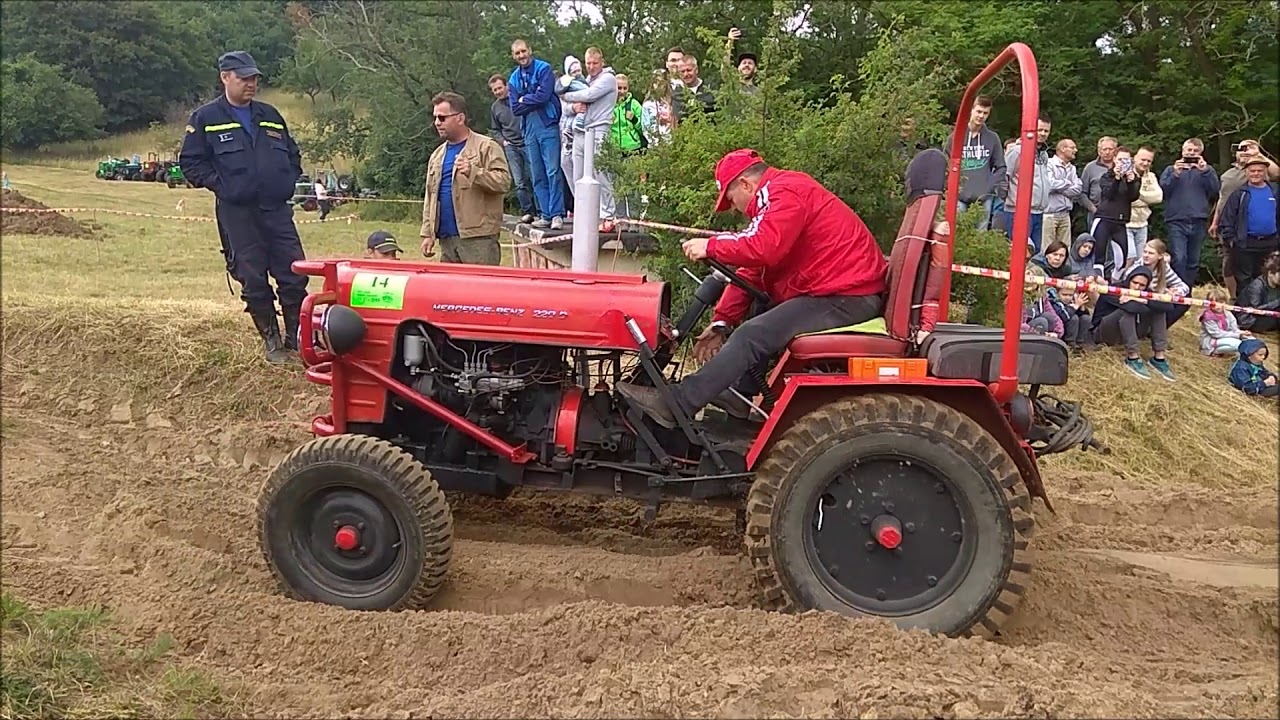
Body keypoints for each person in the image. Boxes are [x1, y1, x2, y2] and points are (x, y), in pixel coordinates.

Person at [614, 149, 888, 427]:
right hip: (838, 290)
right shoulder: (780, 197)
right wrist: (722, 321)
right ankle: (737, 394)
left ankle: (677, 404)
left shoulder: (784, 193)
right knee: (760, 309)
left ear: (745, 184)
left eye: (731, 200)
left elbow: (763, 249)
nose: (734, 208)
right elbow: (754, 272)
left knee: (752, 335)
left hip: (847, 296)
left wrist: (711, 245)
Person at [179, 50, 307, 365]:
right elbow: (190, 163)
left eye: (254, 78)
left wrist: (287, 181)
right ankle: (272, 343)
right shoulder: (205, 118)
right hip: (238, 212)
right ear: (225, 77)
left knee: (294, 273)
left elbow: (292, 154)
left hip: (276, 209)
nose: (251, 84)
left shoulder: (270, 114)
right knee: (252, 277)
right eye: (244, 78)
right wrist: (224, 186)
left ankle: (296, 340)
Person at [418, 91, 512, 266]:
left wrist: (474, 172)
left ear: (460, 118)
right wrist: (427, 233)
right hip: (446, 240)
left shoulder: (486, 146)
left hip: (479, 240)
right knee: (448, 293)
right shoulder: (437, 155)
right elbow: (430, 197)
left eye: (442, 118)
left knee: (480, 292)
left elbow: (504, 182)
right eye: (435, 118)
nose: (437, 123)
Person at [508, 39, 565, 230]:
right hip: (528, 129)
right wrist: (528, 100)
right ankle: (545, 214)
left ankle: (557, 213)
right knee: (536, 173)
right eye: (517, 53)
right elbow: (515, 108)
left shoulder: (544, 68)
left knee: (553, 170)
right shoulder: (513, 79)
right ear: (513, 56)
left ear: (530, 50)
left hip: (546, 124)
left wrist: (526, 98)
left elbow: (544, 95)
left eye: (523, 51)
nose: (521, 55)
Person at [1211, 139, 1279, 298]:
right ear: (1246, 173)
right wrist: (1232, 241)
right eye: (1252, 171)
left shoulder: (1274, 191)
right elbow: (1226, 215)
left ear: (1264, 172)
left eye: (1259, 171)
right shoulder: (1239, 193)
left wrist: (1258, 153)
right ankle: (1243, 313)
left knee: (1267, 279)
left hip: (1270, 242)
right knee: (1244, 280)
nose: (1256, 174)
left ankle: (1264, 312)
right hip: (1246, 242)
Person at [1091, 265, 1176, 382]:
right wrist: (1143, 302)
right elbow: (1131, 307)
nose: (1137, 287)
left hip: (1129, 330)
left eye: (1142, 285)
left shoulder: (1145, 294)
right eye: (1134, 283)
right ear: (1129, 280)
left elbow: (1168, 306)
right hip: (1103, 332)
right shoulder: (1114, 289)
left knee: (1159, 311)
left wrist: (1141, 300)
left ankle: (1159, 357)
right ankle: (1133, 356)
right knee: (1127, 311)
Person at [488, 73, 537, 223]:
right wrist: (503, 142)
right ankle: (528, 212)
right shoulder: (495, 108)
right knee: (519, 181)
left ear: (507, 86)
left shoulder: (519, 99)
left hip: (528, 142)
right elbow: (495, 129)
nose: (498, 92)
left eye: (500, 88)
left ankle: (542, 211)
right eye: (495, 90)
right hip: (511, 147)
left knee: (536, 177)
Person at [1198, 287, 1249, 357]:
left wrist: (1242, 333)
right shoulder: (1208, 317)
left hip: (1226, 337)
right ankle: (1213, 351)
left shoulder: (1228, 314)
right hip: (1211, 341)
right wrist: (1237, 335)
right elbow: (1216, 334)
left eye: (1221, 302)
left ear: (1225, 302)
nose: (1218, 305)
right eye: (1214, 303)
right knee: (1237, 344)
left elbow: (1234, 329)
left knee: (1250, 340)